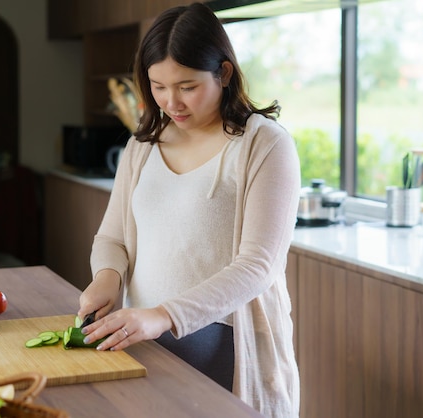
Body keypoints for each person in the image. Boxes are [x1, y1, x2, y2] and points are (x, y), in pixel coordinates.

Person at [77, 3, 300, 417]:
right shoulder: (142, 146)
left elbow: (257, 266)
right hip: (144, 332)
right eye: (157, 86)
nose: (170, 102)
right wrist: (107, 278)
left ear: (224, 73)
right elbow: (112, 238)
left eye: (186, 86)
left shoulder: (264, 145)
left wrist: (164, 316)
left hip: (225, 344)